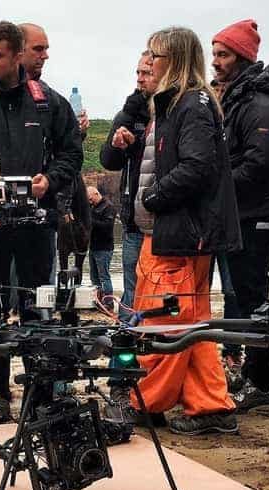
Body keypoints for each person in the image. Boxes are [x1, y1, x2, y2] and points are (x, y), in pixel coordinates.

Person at [0, 21, 82, 425]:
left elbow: (72, 154)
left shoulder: (50, 104)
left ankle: (39, 395)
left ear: (17, 55)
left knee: (37, 308)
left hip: (36, 225)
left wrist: (50, 180)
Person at [124, 26, 241, 436]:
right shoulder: (181, 103)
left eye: (154, 55)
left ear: (173, 60)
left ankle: (148, 402)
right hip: (170, 235)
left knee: (166, 323)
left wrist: (154, 198)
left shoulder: (189, 105)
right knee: (190, 321)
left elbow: (196, 166)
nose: (148, 61)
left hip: (176, 236)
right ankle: (211, 406)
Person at [211, 19, 269, 415]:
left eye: (223, 54)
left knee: (253, 299)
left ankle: (262, 383)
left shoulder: (263, 104)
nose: (215, 62)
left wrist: (212, 190)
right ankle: (253, 376)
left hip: (255, 215)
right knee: (245, 297)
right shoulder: (240, 98)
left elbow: (258, 165)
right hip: (242, 214)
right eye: (214, 53)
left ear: (243, 57)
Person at [100, 53, 155, 323]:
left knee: (159, 292)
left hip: (165, 221)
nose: (140, 79)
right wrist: (119, 145)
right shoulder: (129, 112)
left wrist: (138, 144)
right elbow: (108, 161)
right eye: (138, 73)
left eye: (147, 73)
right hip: (133, 219)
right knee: (132, 289)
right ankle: (126, 340)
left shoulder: (175, 109)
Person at [87, 186, 116, 302]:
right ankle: (98, 300)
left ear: (96, 194)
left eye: (90, 199)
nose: (89, 202)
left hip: (104, 248)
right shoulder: (92, 207)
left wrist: (90, 221)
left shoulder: (109, 207)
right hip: (93, 247)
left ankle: (108, 302)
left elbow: (107, 227)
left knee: (104, 277)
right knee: (94, 277)